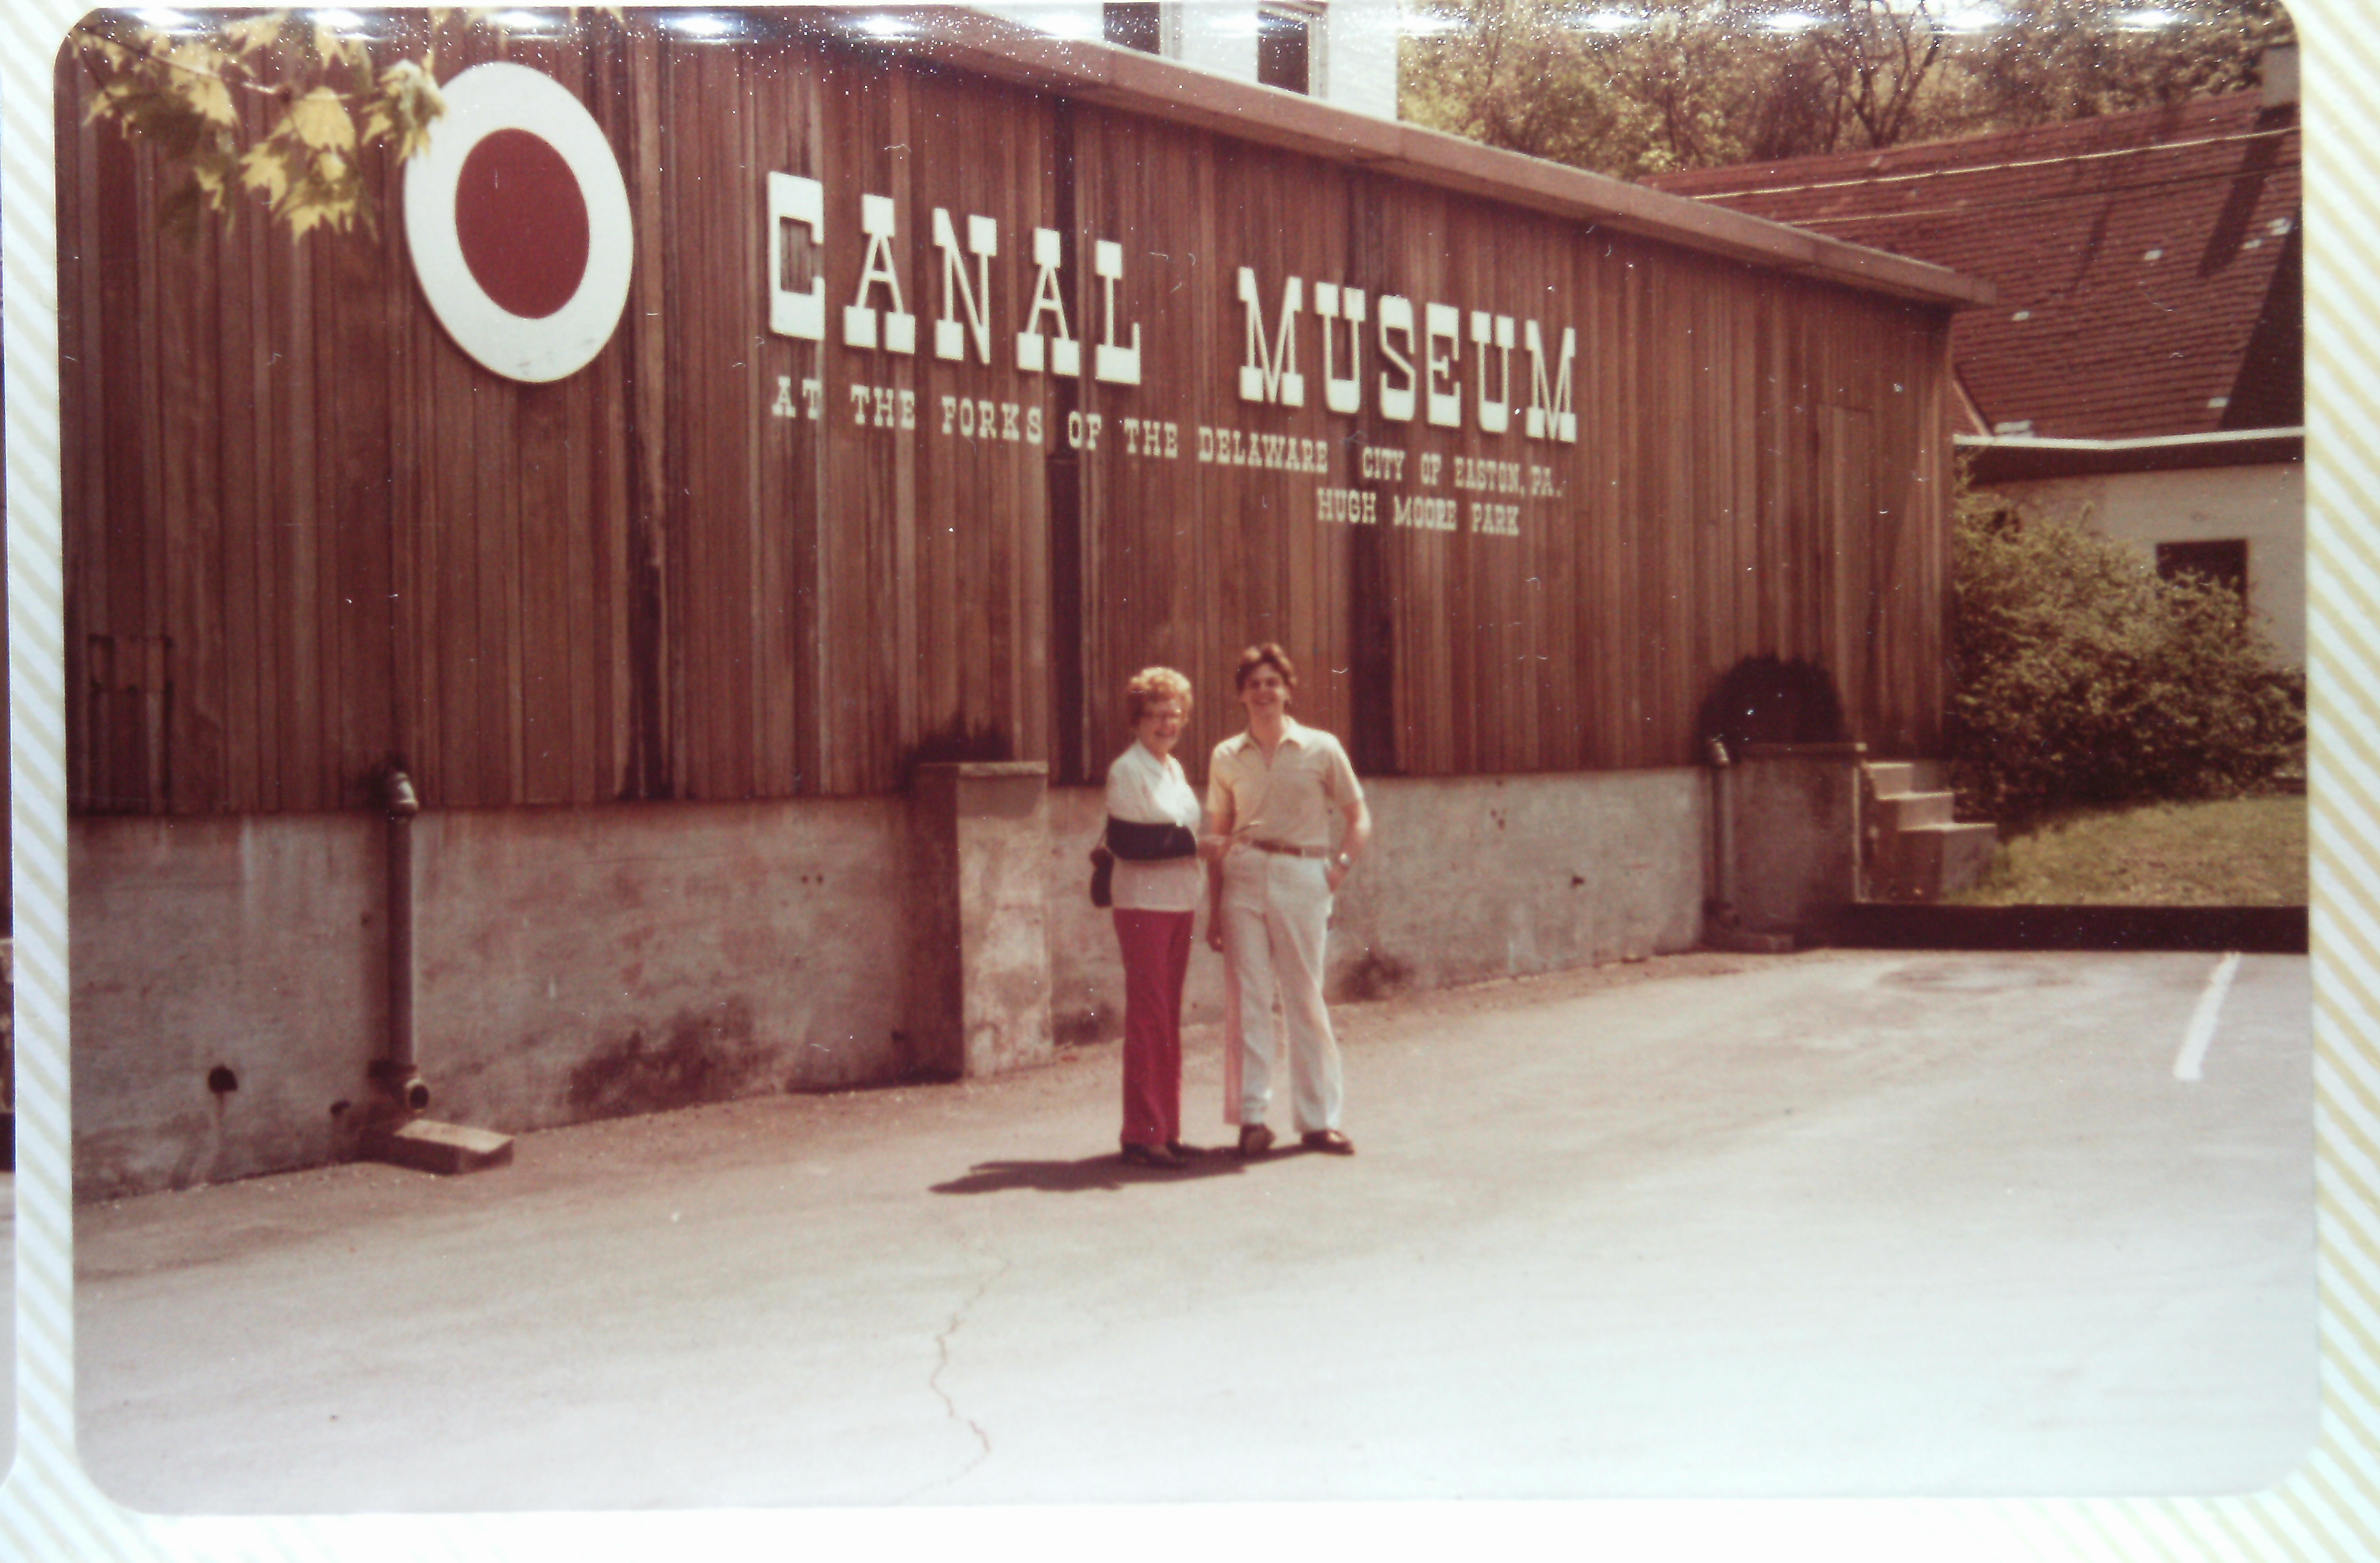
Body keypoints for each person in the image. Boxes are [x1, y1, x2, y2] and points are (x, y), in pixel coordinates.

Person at [1205, 643, 1370, 1157]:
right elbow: (1218, 835)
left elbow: (1359, 817)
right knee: (1250, 999)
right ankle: (1251, 1120)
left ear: (1287, 690)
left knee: (1304, 997)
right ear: (1241, 695)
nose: (1263, 692)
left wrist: (1338, 869)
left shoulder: (1321, 748)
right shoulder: (1226, 755)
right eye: (1253, 684)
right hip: (1243, 876)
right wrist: (1214, 907)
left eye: (1272, 683)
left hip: (1303, 874)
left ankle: (1319, 1121)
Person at [1103, 666, 1208, 1170]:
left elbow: (1176, 832)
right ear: (1137, 720)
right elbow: (1130, 842)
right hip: (1143, 905)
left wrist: (1196, 846)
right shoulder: (1127, 771)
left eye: (1174, 714)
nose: (1167, 724)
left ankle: (1167, 1128)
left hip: (1178, 901)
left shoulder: (1173, 769)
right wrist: (1199, 845)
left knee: (1167, 1017)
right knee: (1148, 1017)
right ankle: (1142, 1134)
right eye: (1156, 715)